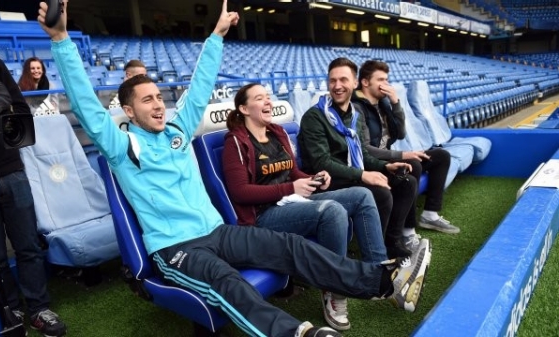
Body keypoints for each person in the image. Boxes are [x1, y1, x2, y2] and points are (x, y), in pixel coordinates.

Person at [38, 1, 430, 336]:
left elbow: (200, 85)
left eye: (159, 97)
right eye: (146, 101)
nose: (158, 105)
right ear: (128, 111)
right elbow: (87, 107)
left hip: (217, 231)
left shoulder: (176, 131)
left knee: (290, 245)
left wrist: (217, 35)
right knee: (227, 283)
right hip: (176, 249)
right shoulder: (122, 146)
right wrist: (60, 40)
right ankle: (294, 332)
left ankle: (385, 281)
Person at [222, 83, 397, 331]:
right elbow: (240, 192)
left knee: (361, 195)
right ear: (244, 108)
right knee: (332, 211)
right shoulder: (235, 142)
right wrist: (290, 189)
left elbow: (292, 172)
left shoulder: (277, 133)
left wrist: (314, 177)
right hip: (263, 215)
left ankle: (376, 270)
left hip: (292, 203)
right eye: (260, 98)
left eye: (268, 97)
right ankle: (334, 289)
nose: (268, 102)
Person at [0, 6, 66, 337]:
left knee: (29, 247)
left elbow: (21, 111)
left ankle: (38, 308)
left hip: (10, 170)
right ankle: (9, 310)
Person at [298, 57, 427, 259]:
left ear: (355, 83)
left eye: (343, 80)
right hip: (326, 181)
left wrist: (386, 167)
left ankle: (391, 241)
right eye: (332, 81)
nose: (337, 86)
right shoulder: (314, 117)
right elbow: (321, 162)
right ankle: (373, 256)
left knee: (406, 181)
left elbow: (363, 154)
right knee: (381, 192)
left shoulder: (354, 115)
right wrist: (364, 175)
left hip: (351, 173)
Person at [352, 60, 459, 237]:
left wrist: (395, 103)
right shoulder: (357, 108)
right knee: (413, 165)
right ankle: (407, 229)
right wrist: (403, 154)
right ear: (365, 82)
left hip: (390, 157)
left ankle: (430, 214)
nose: (385, 85)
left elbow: (400, 134)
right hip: (374, 163)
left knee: (441, 156)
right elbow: (364, 150)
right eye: (380, 80)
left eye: (386, 80)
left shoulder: (384, 103)